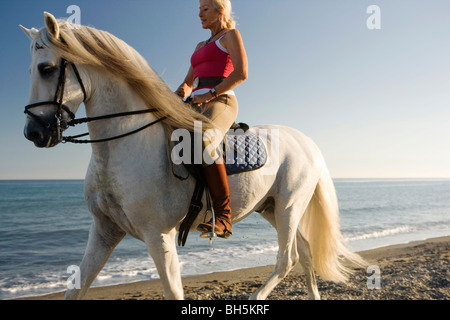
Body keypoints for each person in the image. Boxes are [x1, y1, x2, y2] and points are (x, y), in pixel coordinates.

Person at [175, 0, 248, 239]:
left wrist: (212, 93)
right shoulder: (199, 46)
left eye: (205, 9)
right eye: (199, 9)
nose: (200, 14)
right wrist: (174, 96)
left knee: (205, 141)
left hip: (222, 101)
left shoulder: (229, 36)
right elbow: (188, 82)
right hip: (194, 104)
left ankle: (223, 218)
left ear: (220, 11)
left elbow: (241, 73)